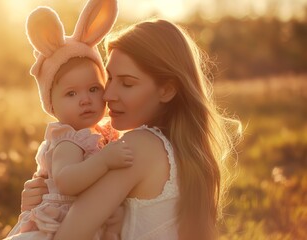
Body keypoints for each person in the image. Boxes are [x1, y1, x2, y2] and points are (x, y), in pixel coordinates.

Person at [21, 16, 242, 240]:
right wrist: (48, 198)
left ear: (166, 90)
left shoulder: (137, 147)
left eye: (127, 83)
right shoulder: (189, 153)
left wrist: (40, 214)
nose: (108, 95)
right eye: (109, 79)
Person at [5, 0, 131, 239]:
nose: (85, 100)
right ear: (51, 104)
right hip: (58, 224)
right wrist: (104, 161)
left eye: (94, 89)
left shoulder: (100, 134)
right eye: (71, 94)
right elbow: (66, 181)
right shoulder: (68, 140)